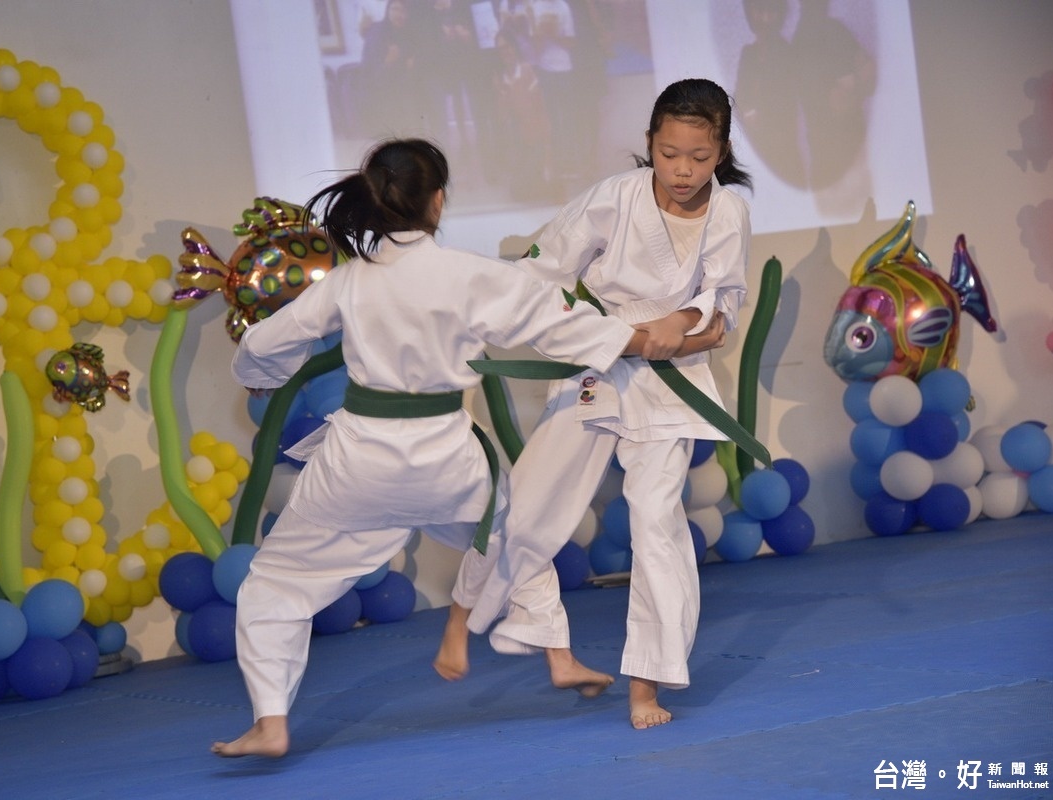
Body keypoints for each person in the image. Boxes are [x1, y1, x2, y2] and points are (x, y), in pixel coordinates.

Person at [212, 138, 681, 758]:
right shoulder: (470, 275)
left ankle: (271, 721)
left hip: (359, 464)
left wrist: (260, 374)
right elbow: (558, 325)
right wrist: (645, 337)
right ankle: (559, 655)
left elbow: (272, 341)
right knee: (516, 532)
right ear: (438, 201)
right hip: (448, 460)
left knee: (275, 584)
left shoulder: (350, 283)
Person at [437, 78, 752, 730]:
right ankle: (464, 615)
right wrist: (475, 311)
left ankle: (647, 684)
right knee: (529, 499)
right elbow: (543, 267)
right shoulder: (616, 197)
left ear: (720, 150)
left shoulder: (730, 212)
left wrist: (685, 319)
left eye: (698, 155)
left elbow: (721, 308)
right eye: (669, 154)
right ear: (649, 144)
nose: (683, 170)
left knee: (656, 524)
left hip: (675, 377)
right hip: (602, 362)